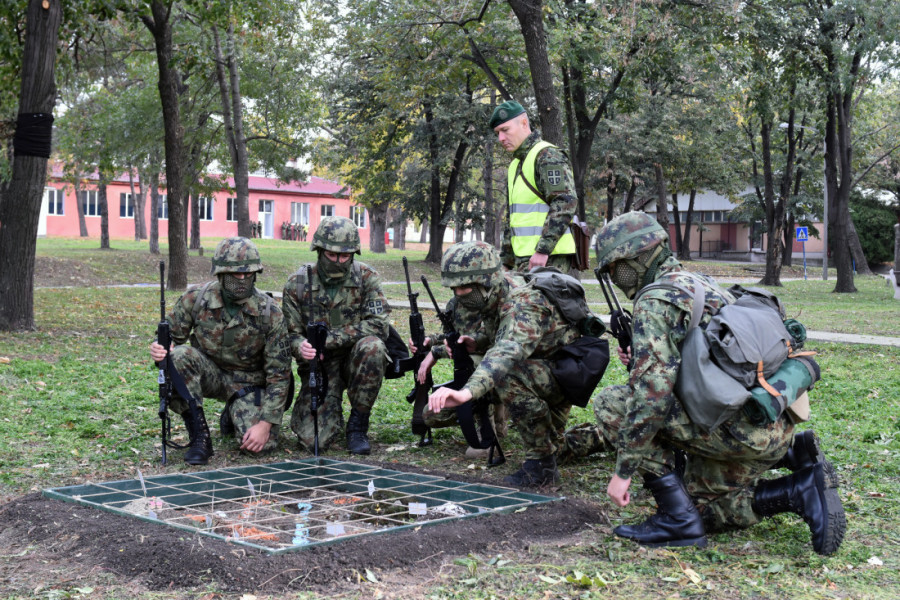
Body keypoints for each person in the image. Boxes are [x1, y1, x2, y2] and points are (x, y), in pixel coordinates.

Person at [575, 211, 844, 555]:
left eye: (615, 268)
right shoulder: (696, 281)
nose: (615, 277)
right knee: (700, 510)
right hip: (772, 422)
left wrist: (623, 472)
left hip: (739, 430)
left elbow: (651, 398)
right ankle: (798, 486)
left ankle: (675, 519)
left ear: (636, 258)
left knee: (613, 403)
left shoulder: (655, 301)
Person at [427, 241, 581, 487]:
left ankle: (541, 467)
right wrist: (476, 342)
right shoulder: (498, 289)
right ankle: (604, 437)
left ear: (486, 281)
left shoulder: (522, 302)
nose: (458, 294)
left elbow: (507, 351)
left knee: (507, 374)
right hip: (544, 367)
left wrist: (466, 393)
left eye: (465, 287)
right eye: (454, 287)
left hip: (566, 372)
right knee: (560, 449)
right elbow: (502, 335)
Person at [148, 237, 292, 465]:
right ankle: (199, 436)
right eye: (236, 274)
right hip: (211, 375)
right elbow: (169, 339)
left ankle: (232, 414)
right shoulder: (196, 299)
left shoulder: (270, 312)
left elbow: (280, 374)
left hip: (249, 383)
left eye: (248, 273)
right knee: (178, 357)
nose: (243, 279)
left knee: (260, 447)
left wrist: (265, 425)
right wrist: (160, 348)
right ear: (221, 274)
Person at [281, 216, 392, 455]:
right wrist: (301, 346)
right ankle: (330, 408)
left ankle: (358, 424)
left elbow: (379, 326)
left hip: (355, 359)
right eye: (332, 255)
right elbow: (289, 333)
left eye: (345, 256)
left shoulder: (366, 278)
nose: (339, 261)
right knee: (312, 441)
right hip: (320, 367)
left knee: (373, 347)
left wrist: (329, 339)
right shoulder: (298, 283)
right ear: (319, 251)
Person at [490, 100, 578, 274]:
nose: (501, 138)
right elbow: (513, 218)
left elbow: (565, 202)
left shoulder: (547, 155)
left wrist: (543, 250)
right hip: (525, 260)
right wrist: (506, 262)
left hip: (548, 259)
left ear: (524, 123)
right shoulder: (515, 165)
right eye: (497, 133)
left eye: (505, 130)